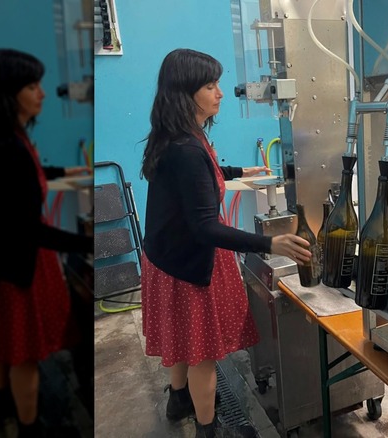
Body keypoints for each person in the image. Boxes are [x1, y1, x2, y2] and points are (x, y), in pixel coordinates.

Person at [140, 48, 311, 438]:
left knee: (183, 337)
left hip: (165, 257)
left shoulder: (177, 135)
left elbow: (199, 176)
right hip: (188, 264)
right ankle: (209, 430)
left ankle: (178, 399)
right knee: (203, 353)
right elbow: (205, 227)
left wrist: (237, 170)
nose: (220, 93)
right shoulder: (186, 148)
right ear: (186, 94)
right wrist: (270, 244)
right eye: (210, 85)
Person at [0, 49, 92, 438]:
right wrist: (83, 242)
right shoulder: (9, 148)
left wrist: (68, 169)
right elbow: (29, 229)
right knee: (25, 356)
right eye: (33, 86)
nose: (43, 94)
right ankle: (31, 426)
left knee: (2, 341)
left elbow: (26, 175)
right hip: (13, 264)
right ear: (8, 92)